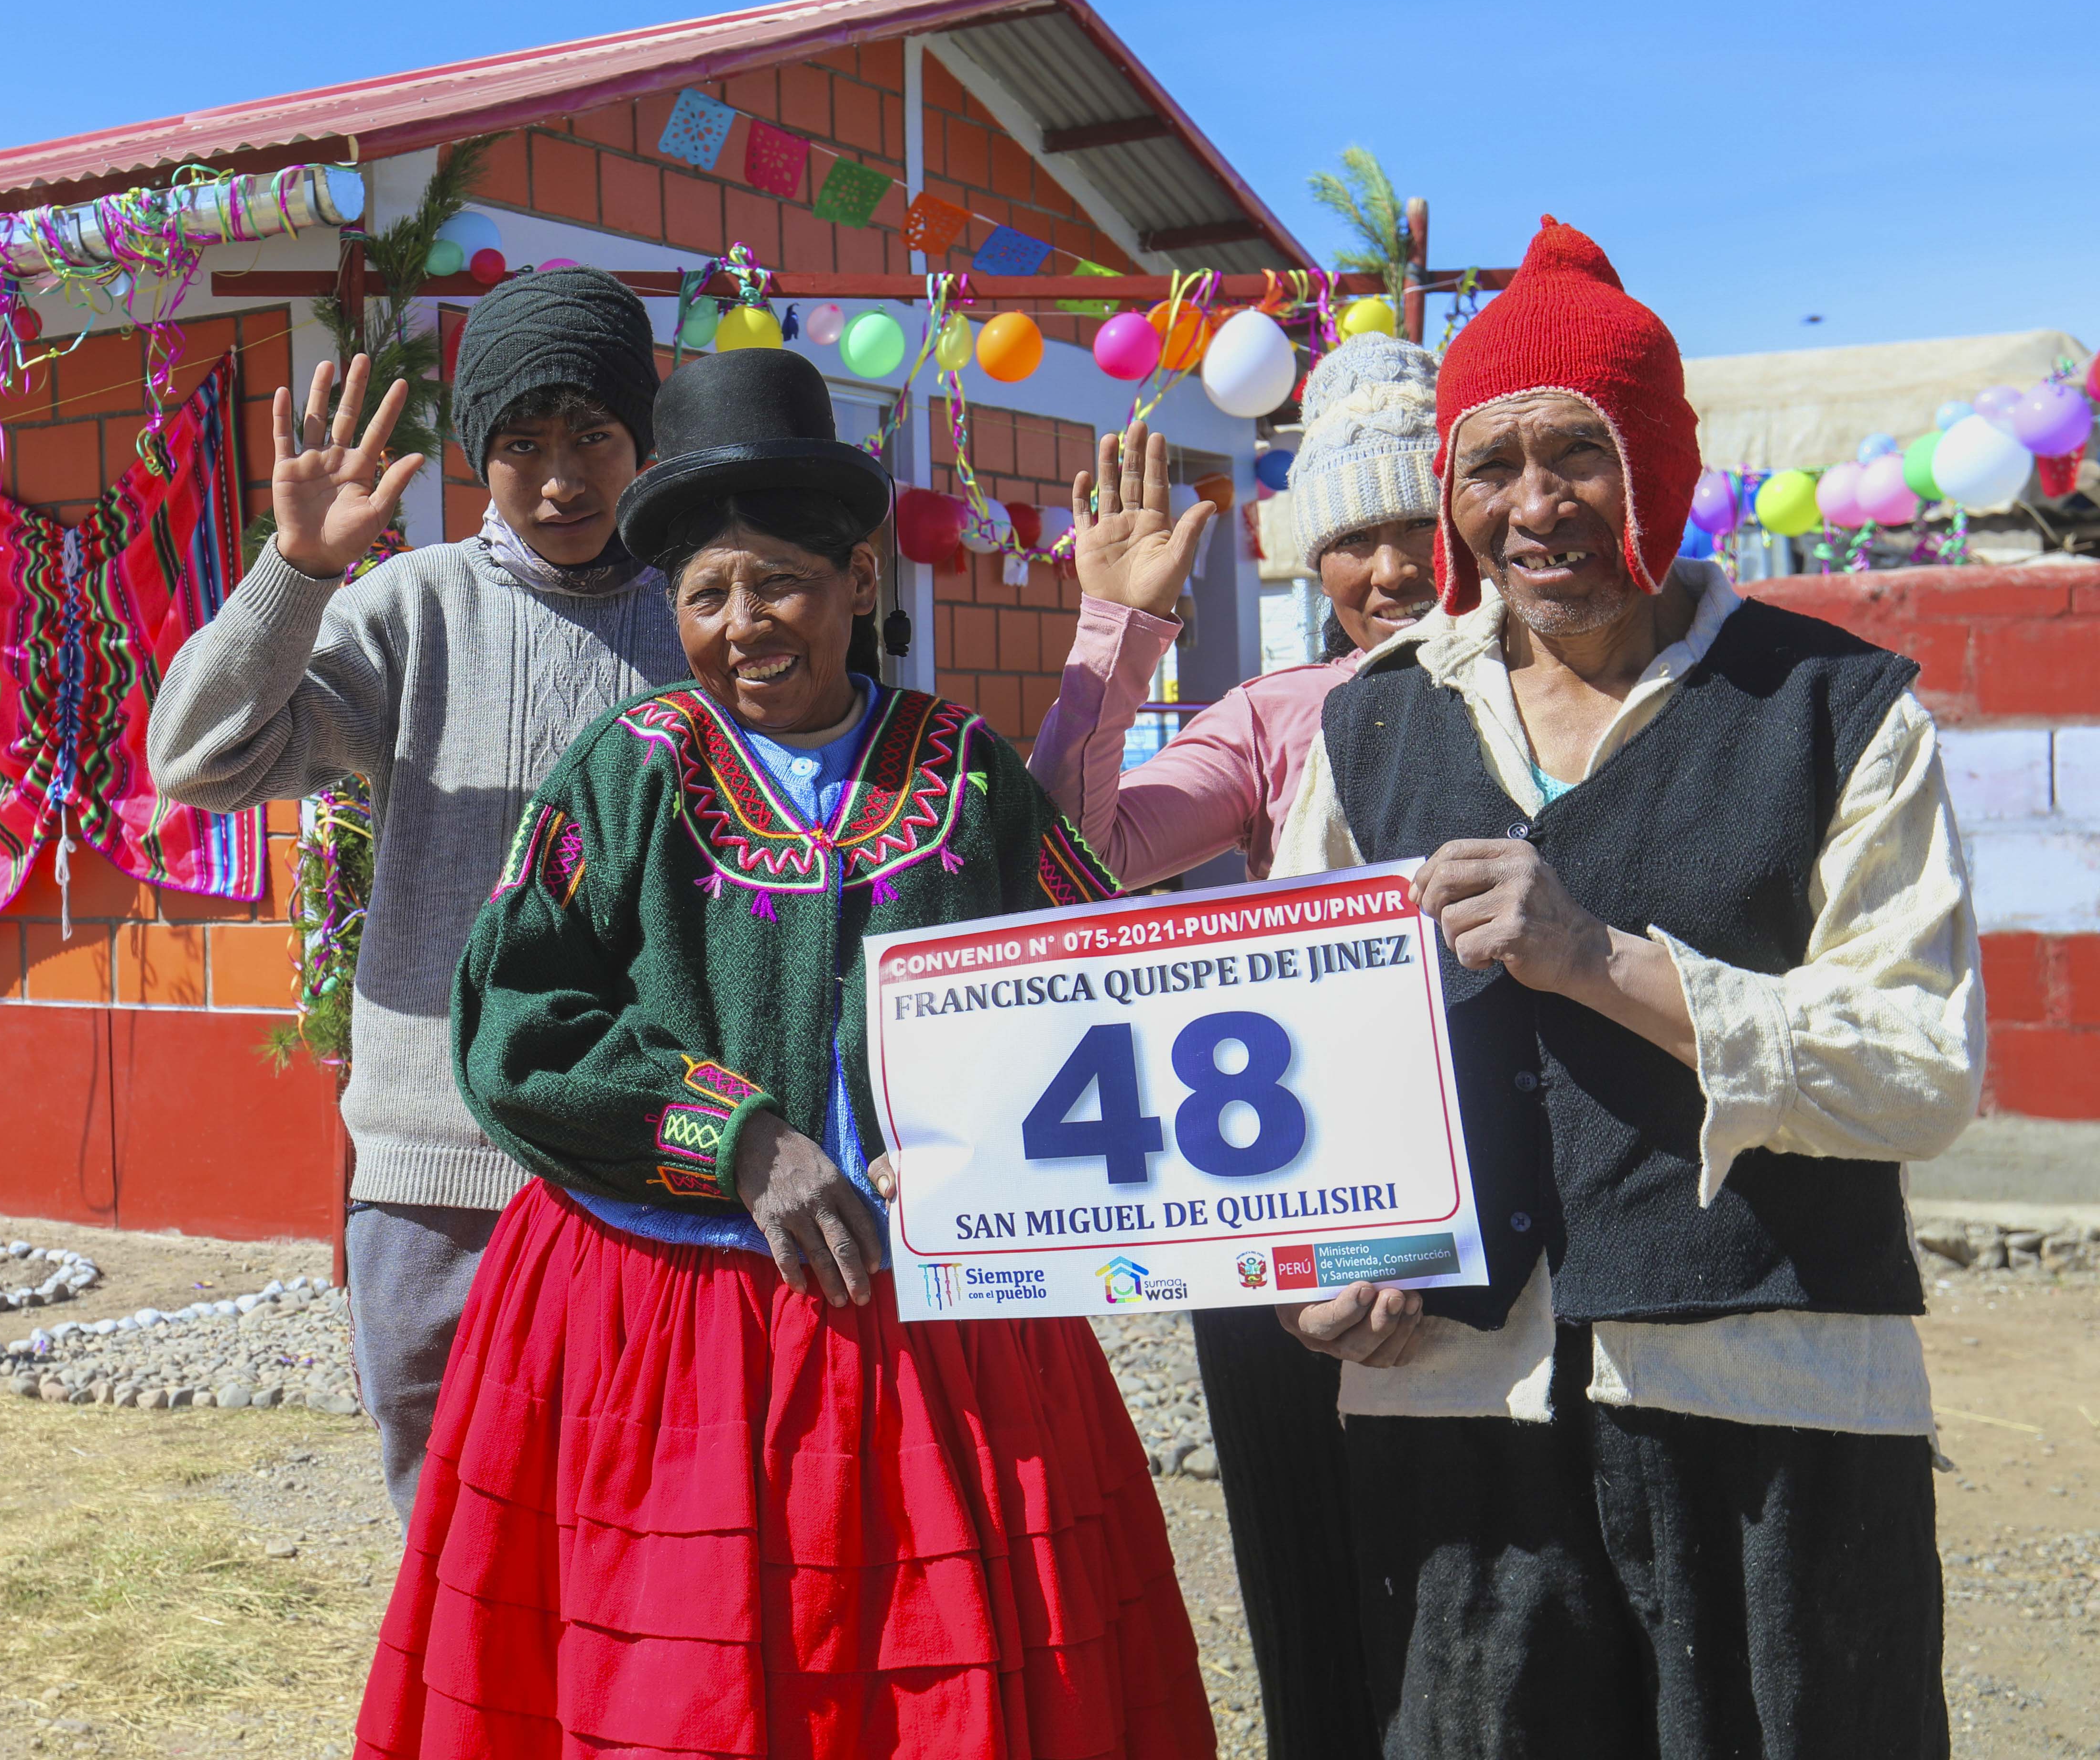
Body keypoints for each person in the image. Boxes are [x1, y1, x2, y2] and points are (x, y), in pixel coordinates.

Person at [358, 346, 1214, 1760]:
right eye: (705, 595)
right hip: (665, 1315)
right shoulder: (625, 769)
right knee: (686, 1681)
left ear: (859, 584)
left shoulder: (963, 773)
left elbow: (1086, 986)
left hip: (933, 1327)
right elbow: (513, 1026)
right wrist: (740, 1137)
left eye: (780, 584)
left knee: (933, 1679)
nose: (744, 626)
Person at [1270, 219, 1979, 1758]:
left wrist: (1600, 961)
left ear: (1656, 462)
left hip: (1775, 1403)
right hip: (1455, 1411)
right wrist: (1318, 1259)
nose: (1536, 507)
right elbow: (1296, 1048)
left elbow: (1924, 1069)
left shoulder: (1829, 710)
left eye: (1577, 454)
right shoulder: (1372, 732)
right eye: (1491, 464)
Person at [148, 267, 685, 1521]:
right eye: (521, 443)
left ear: (641, 444)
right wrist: (296, 571)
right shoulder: (417, 609)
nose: (561, 479)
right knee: (454, 1526)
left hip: (649, 1163)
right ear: (473, 455)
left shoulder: (697, 619)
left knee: (637, 1519)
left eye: (593, 437)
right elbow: (197, 761)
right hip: (434, 1173)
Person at [1025, 333, 1441, 1760]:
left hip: (1503, 1228)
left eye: (1418, 530)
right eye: (1356, 540)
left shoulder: (1564, 695)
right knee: (1309, 1597)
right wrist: (1116, 633)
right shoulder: (1271, 720)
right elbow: (1071, 856)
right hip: (1281, 1229)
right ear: (1308, 562)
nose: (1393, 573)